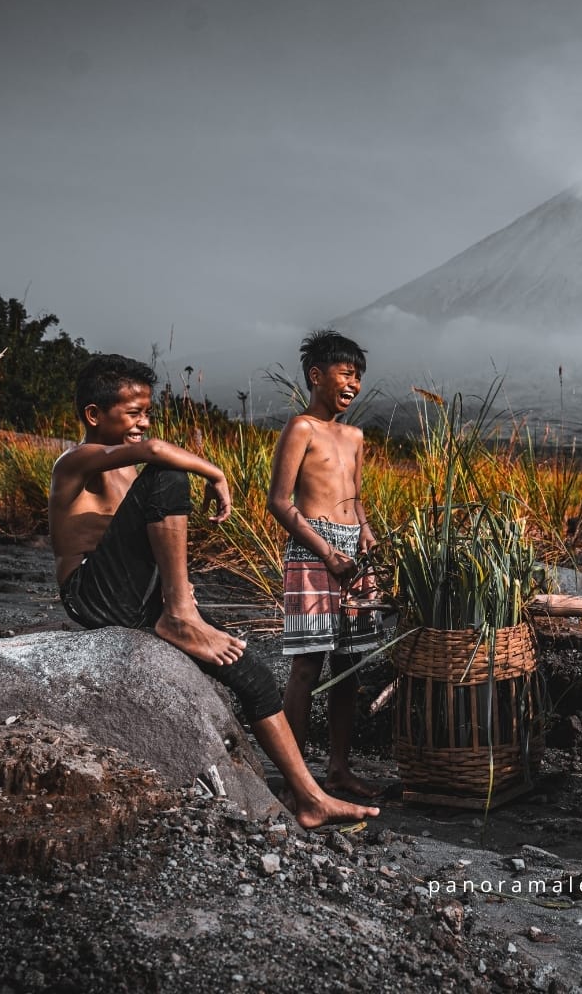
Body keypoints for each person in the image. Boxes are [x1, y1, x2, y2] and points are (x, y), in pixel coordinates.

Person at [48, 353, 378, 829]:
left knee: (255, 673)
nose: (144, 423)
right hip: (90, 594)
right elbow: (158, 453)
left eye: (147, 412)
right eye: (133, 413)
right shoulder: (76, 462)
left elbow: (146, 549)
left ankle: (308, 798)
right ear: (94, 415)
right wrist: (216, 474)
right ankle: (179, 614)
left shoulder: (127, 470)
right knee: (168, 475)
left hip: (134, 598)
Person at [269, 330, 393, 799]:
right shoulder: (302, 428)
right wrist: (326, 550)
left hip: (353, 553)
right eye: (346, 373)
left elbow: (355, 498)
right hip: (313, 551)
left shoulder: (355, 435)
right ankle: (296, 777)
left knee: (348, 667)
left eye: (359, 376)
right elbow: (279, 503)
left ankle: (338, 770)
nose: (354, 383)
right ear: (316, 375)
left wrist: (365, 531)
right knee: (307, 666)